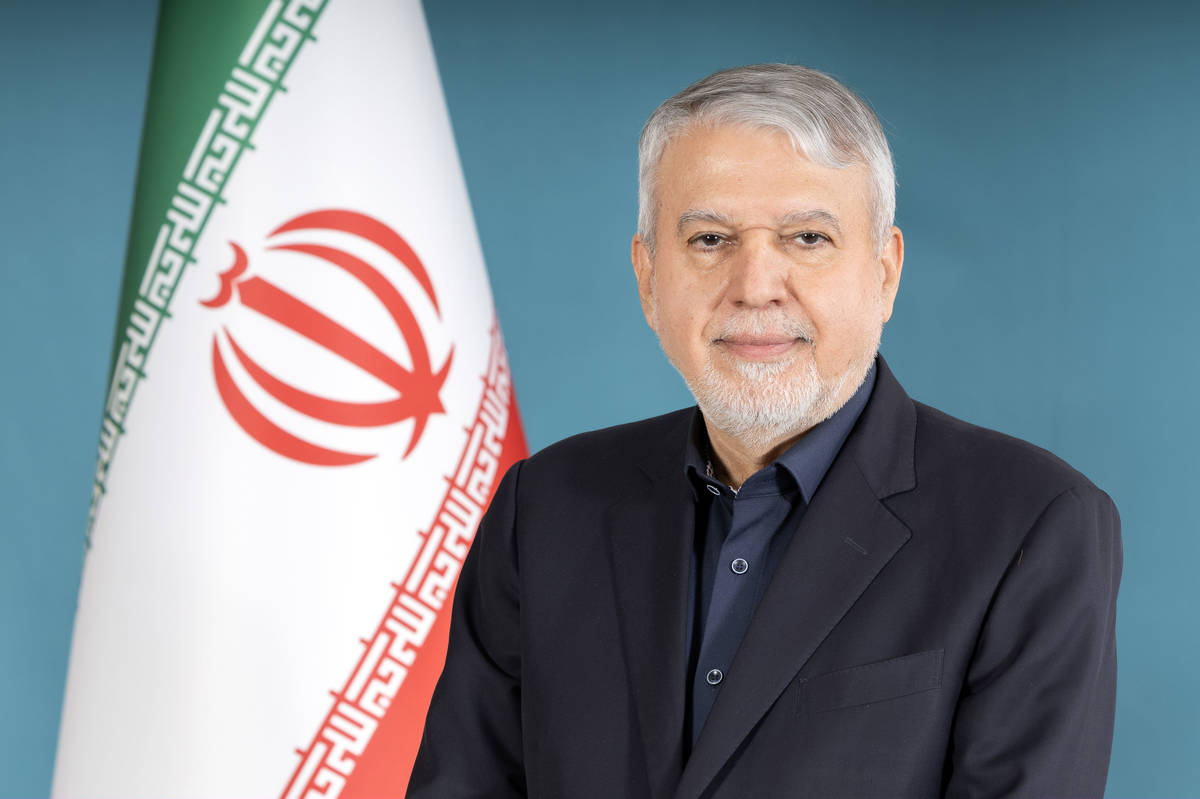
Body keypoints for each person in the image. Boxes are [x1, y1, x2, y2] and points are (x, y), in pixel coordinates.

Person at [407, 64, 1121, 799]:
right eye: (711, 239)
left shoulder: (1030, 523)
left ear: (884, 272)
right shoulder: (546, 506)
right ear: (648, 277)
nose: (754, 286)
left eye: (807, 237)